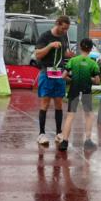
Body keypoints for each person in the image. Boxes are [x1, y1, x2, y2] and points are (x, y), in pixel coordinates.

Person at [58, 37, 101, 151]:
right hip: (86, 92)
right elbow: (97, 81)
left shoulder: (73, 60)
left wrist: (71, 79)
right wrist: (90, 78)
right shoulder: (93, 64)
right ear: (91, 48)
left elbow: (63, 76)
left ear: (80, 47)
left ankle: (64, 141)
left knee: (70, 115)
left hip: (74, 91)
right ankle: (87, 141)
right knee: (89, 115)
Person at [33, 15, 71, 147]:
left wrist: (69, 55)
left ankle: (59, 132)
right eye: (63, 28)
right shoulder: (45, 36)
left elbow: (62, 53)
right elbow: (37, 54)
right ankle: (41, 134)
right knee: (45, 103)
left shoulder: (64, 37)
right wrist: (50, 45)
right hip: (46, 72)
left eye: (67, 29)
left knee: (59, 103)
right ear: (58, 24)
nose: (65, 31)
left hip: (59, 73)